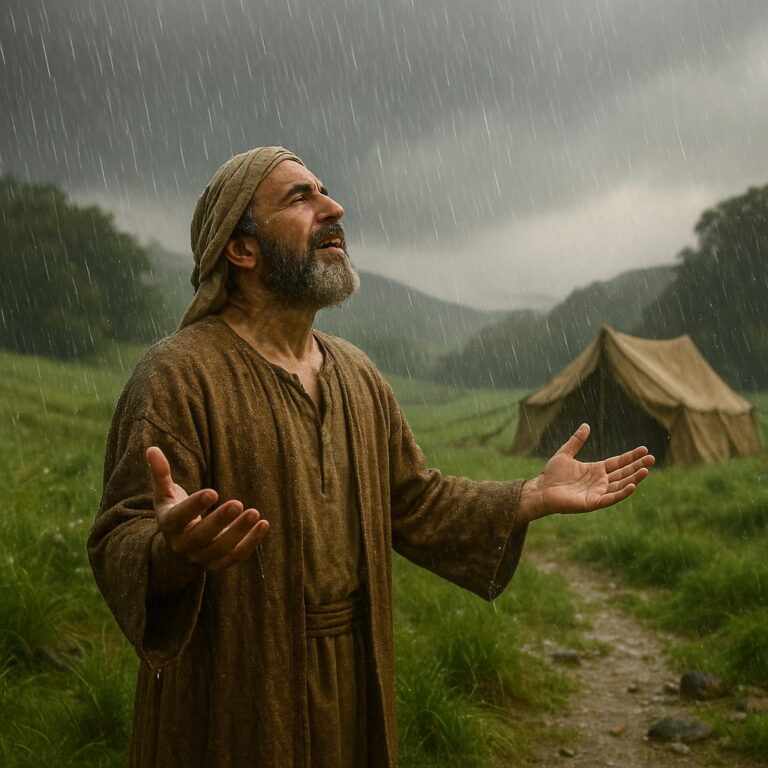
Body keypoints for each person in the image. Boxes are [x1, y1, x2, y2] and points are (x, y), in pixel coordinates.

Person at [88, 146, 654, 768]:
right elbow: (123, 534)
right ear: (241, 249)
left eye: (324, 192)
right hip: (233, 688)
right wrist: (168, 553)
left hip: (354, 677)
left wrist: (524, 498)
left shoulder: (356, 374)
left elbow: (412, 500)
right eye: (299, 199)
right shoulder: (177, 377)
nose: (334, 209)